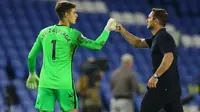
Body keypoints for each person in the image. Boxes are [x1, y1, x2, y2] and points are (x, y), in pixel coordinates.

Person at [25, 1, 117, 112]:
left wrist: (32, 73)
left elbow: (31, 56)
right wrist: (107, 29)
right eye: (74, 12)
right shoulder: (73, 34)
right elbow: (97, 45)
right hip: (64, 84)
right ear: (66, 15)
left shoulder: (44, 32)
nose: (76, 15)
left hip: (45, 83)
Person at [115, 8, 183, 112]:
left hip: (161, 87)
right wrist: (121, 30)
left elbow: (169, 57)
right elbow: (137, 43)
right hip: (171, 88)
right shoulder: (157, 38)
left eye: (149, 18)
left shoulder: (163, 37)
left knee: (145, 108)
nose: (147, 20)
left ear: (156, 21)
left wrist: (156, 76)